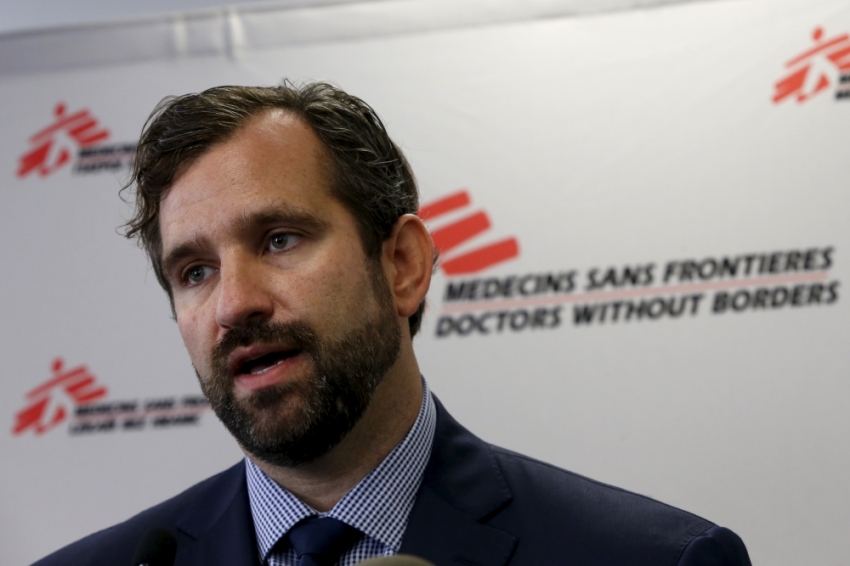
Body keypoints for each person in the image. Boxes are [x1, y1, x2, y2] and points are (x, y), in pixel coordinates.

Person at [34, 82, 751, 566]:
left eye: (280, 239)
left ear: (403, 264)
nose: (234, 304)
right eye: (195, 271)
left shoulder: (651, 559)